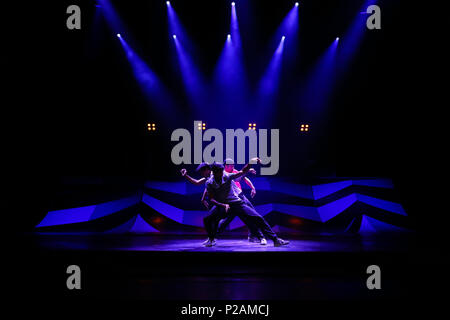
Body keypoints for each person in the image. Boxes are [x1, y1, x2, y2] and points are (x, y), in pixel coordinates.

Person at [204, 159, 289, 247]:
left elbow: (242, 172)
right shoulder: (209, 182)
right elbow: (211, 199)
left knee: (258, 218)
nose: (222, 173)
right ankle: (211, 239)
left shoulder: (226, 176)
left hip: (236, 203)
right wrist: (222, 205)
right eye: (220, 171)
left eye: (222, 171)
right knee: (207, 219)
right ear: (214, 172)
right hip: (223, 205)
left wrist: (251, 162)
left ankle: (275, 240)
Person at [181, 162, 262, 246]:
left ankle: (261, 237)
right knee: (216, 220)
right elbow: (202, 184)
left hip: (235, 198)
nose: (201, 174)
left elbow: (240, 174)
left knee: (250, 216)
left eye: (202, 171)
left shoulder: (217, 174)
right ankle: (212, 238)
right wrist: (186, 175)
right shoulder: (210, 177)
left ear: (207, 170)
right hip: (226, 201)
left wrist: (249, 170)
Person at [216, 158, 266, 244]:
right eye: (231, 166)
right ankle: (213, 236)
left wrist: (252, 187)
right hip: (232, 200)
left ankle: (256, 236)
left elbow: (243, 177)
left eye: (233, 166)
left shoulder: (234, 171)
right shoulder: (223, 175)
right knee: (227, 220)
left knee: (253, 214)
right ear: (226, 166)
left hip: (241, 196)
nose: (233, 167)